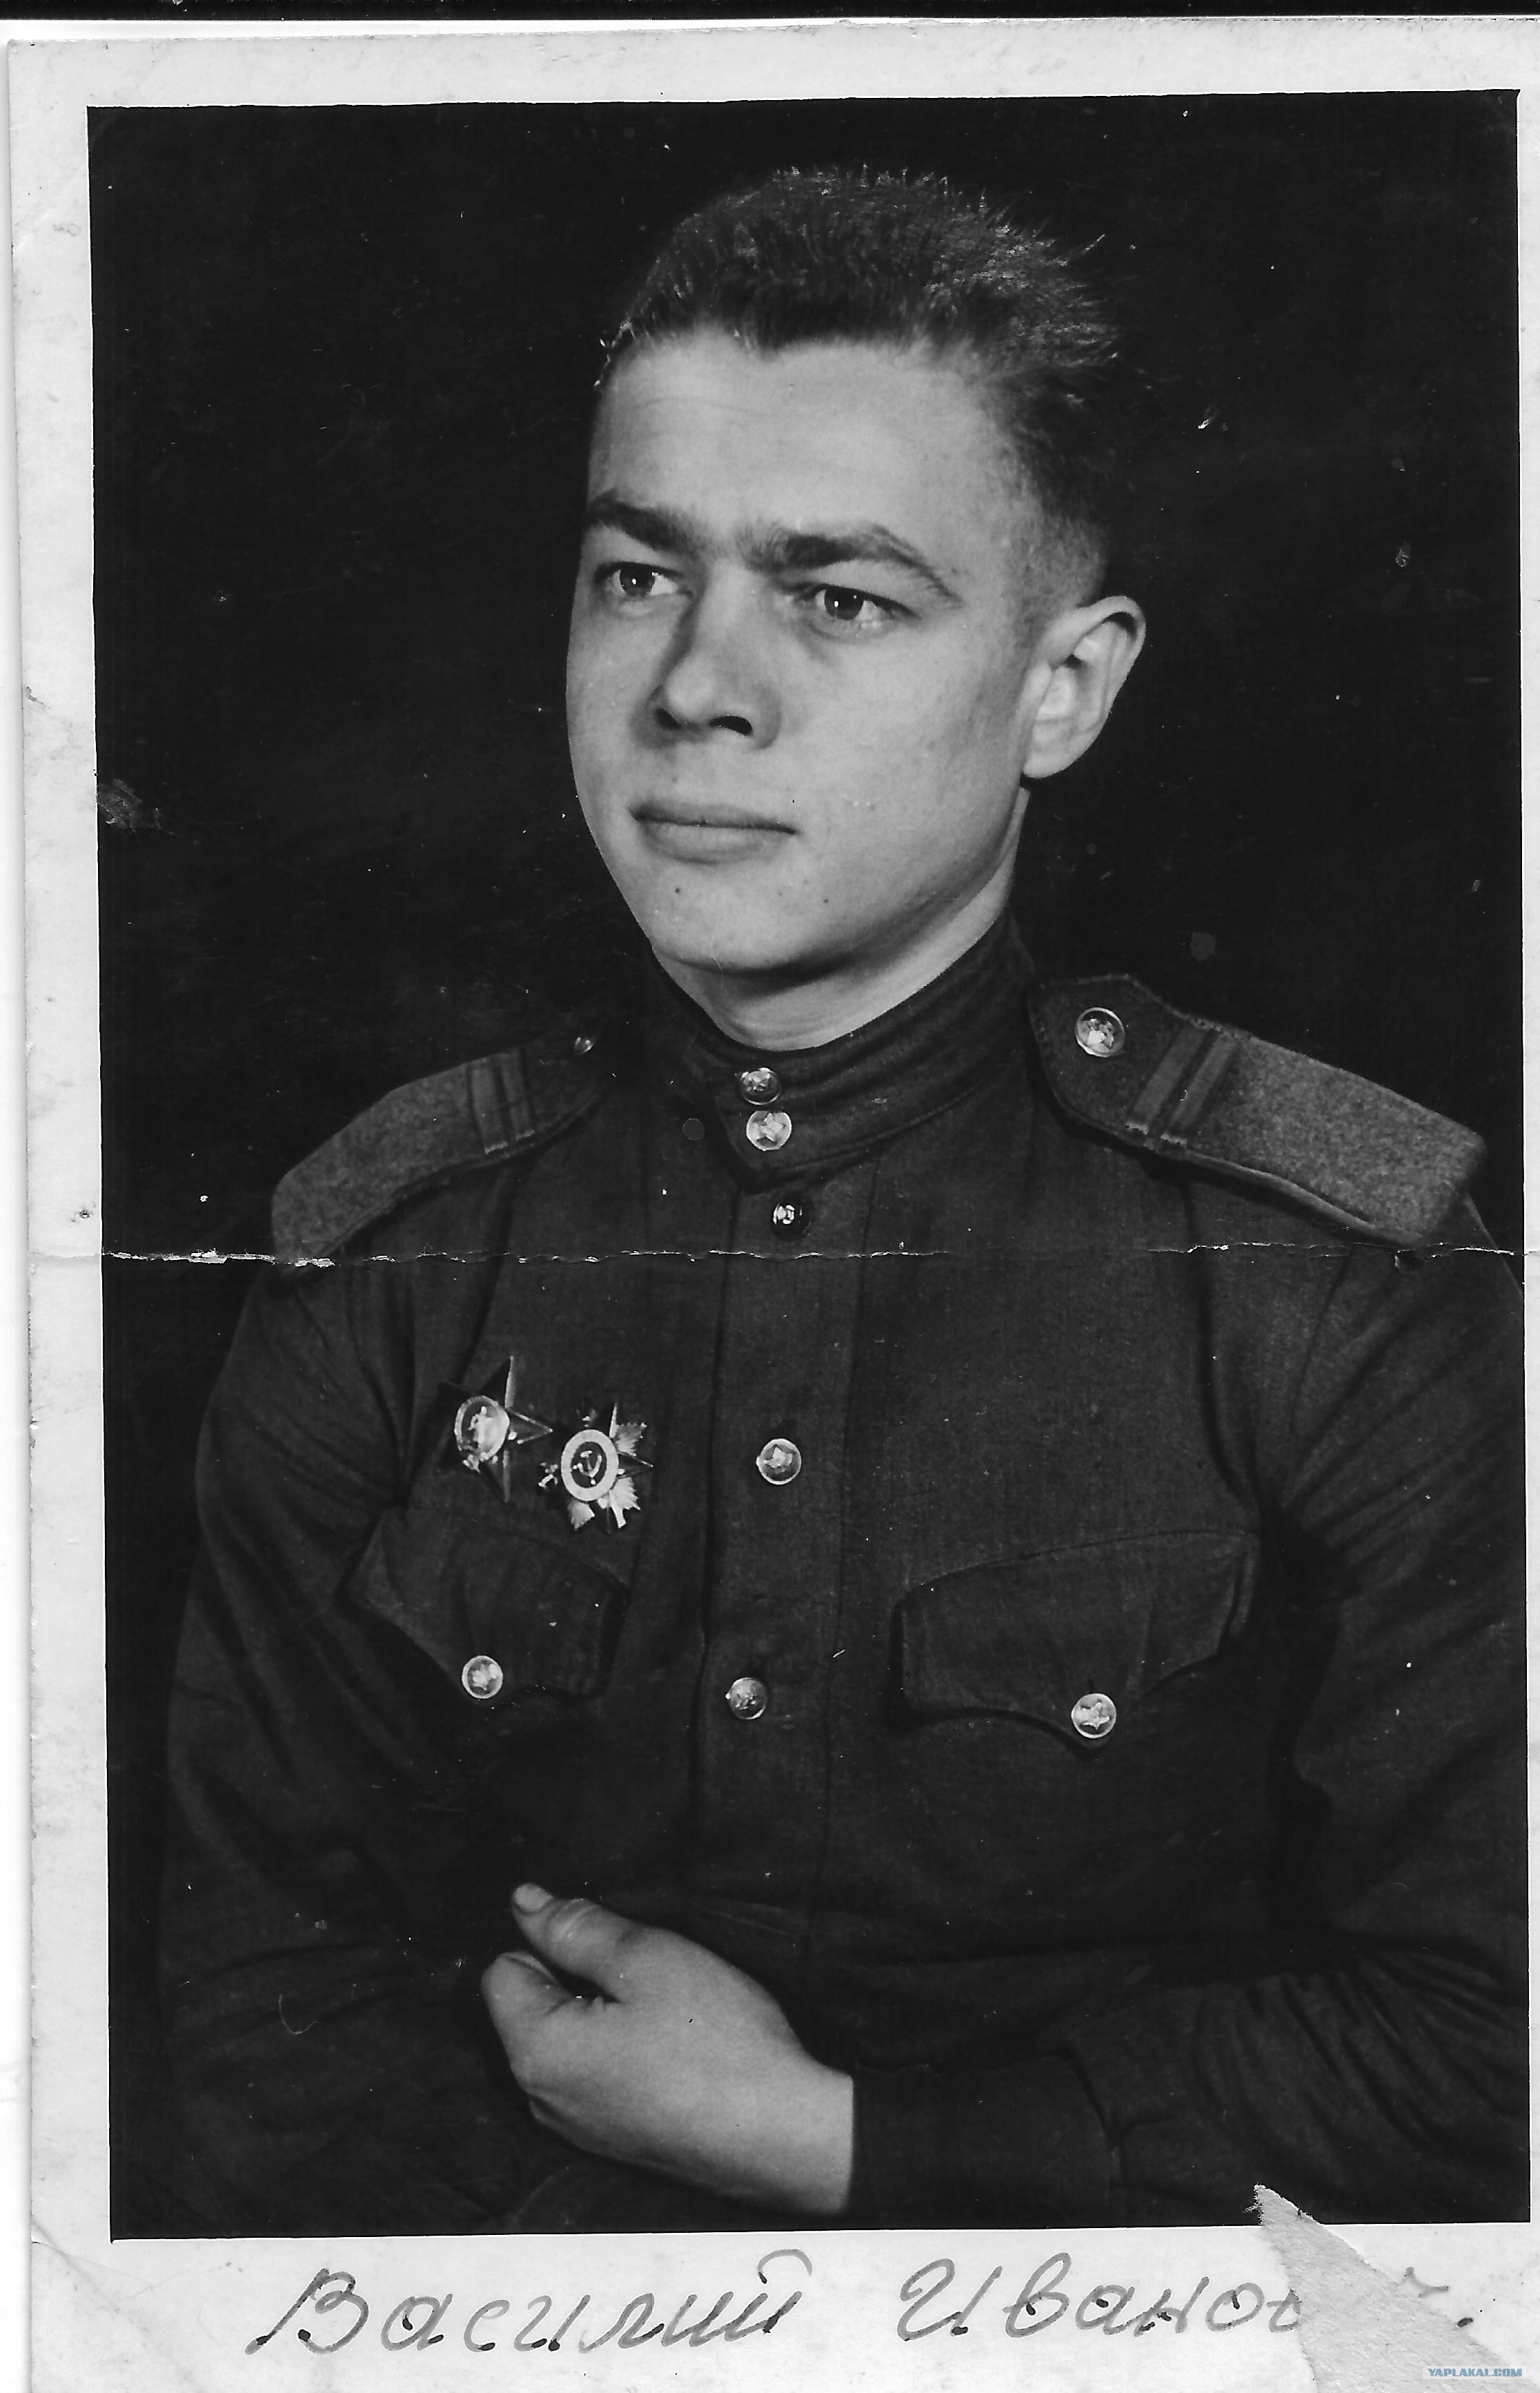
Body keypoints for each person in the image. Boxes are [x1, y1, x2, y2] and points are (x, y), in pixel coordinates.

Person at [157, 168, 1524, 2234]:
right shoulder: (393, 1248)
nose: (698, 687)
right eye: (639, 574)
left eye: (841, 596)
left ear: (1064, 689)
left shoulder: (1334, 1274)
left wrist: (848, 2154)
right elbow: (262, 2026)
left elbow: (1493, 2052)